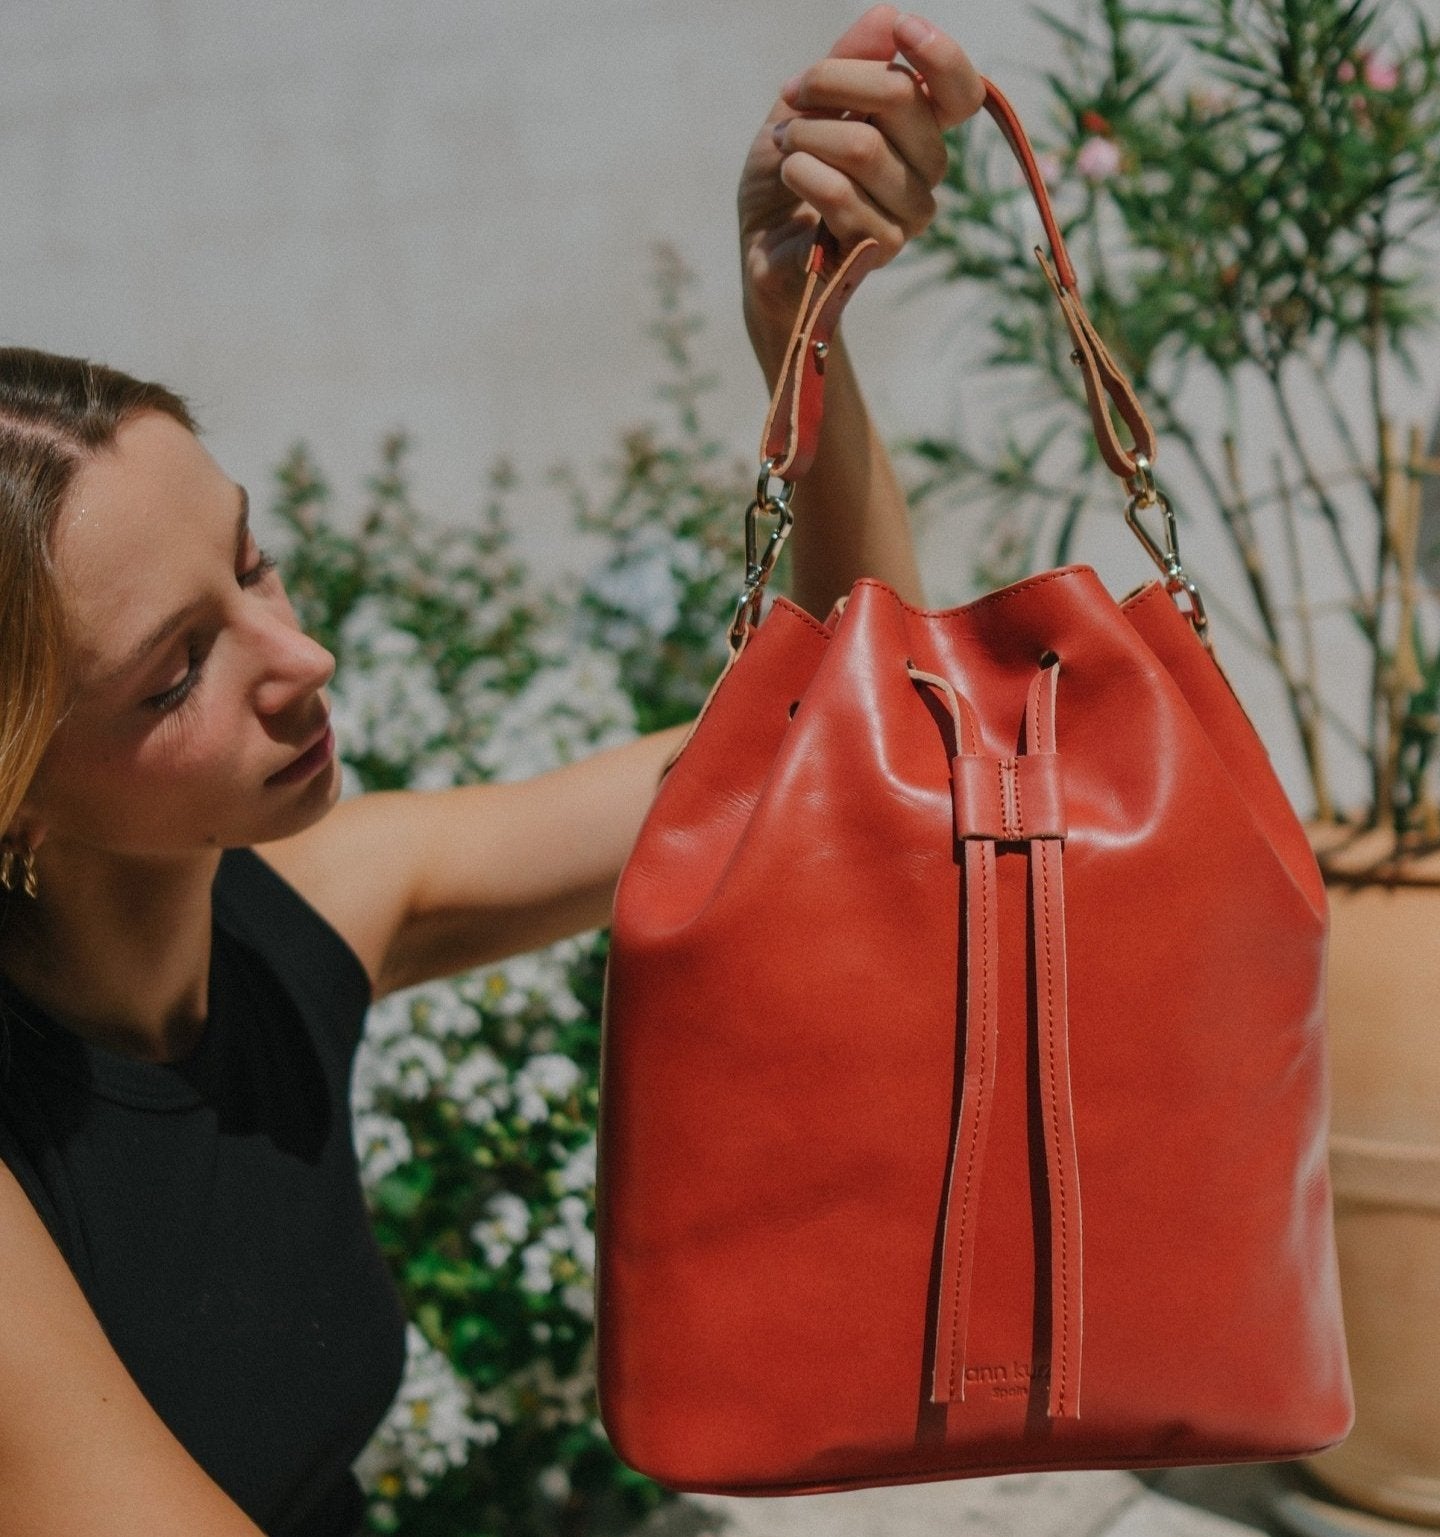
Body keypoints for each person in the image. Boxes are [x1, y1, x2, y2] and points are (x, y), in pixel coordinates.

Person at [0, 10, 984, 1535]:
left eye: (255, 562)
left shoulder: (310, 911)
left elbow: (836, 751)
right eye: (180, 667)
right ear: (19, 792)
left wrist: (798, 326)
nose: (301, 656)